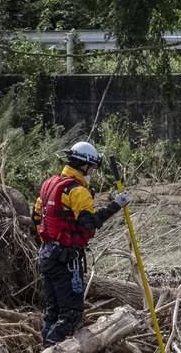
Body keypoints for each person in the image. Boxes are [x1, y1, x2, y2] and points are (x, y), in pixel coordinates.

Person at [33, 140, 131, 346]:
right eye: (92, 168)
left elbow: (36, 218)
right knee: (71, 313)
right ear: (84, 165)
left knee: (53, 312)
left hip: (46, 255)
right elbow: (89, 223)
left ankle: (46, 346)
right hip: (66, 258)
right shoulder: (77, 191)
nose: (92, 172)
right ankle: (54, 349)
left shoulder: (49, 184)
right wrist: (116, 205)